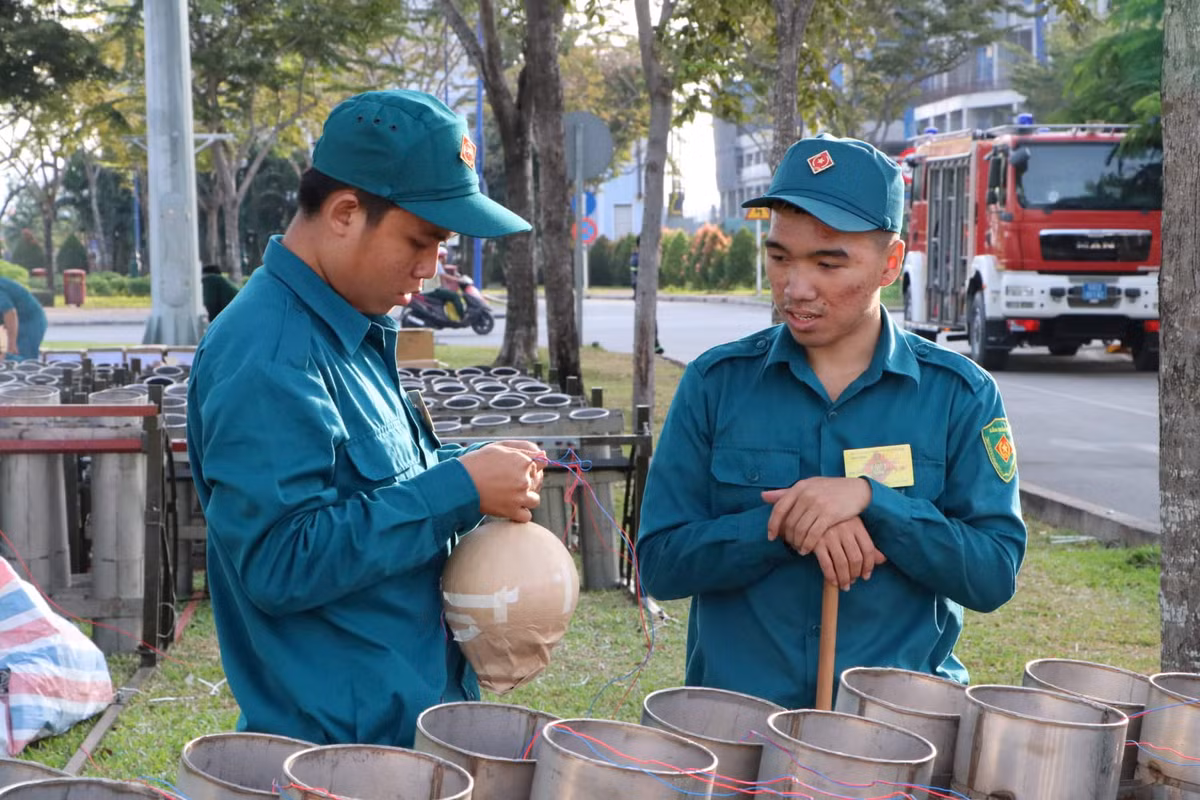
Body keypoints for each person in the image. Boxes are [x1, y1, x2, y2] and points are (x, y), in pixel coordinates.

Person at [186, 89, 545, 748]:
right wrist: (458, 490)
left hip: (408, 726)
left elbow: (371, 494)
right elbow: (280, 562)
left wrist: (470, 473)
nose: (432, 269)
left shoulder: (351, 330)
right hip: (340, 755)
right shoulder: (269, 354)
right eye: (421, 239)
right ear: (347, 212)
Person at [636, 133, 1026, 710]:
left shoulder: (959, 396)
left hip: (897, 731)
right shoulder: (717, 385)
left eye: (827, 262)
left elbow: (993, 574)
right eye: (779, 257)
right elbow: (660, 564)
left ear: (890, 262)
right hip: (740, 729)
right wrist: (788, 521)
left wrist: (875, 502)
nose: (795, 288)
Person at [0, 276, 47, 361]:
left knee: (19, 357)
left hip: (29, 320)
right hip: (17, 319)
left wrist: (12, 344)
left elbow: (10, 313)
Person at [424, 245, 467, 321]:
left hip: (433, 289)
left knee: (449, 294)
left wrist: (447, 288)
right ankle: (462, 316)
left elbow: (442, 280)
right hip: (432, 290)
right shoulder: (437, 263)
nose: (446, 258)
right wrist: (458, 280)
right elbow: (445, 276)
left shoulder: (436, 263)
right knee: (455, 296)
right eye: (445, 256)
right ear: (442, 256)